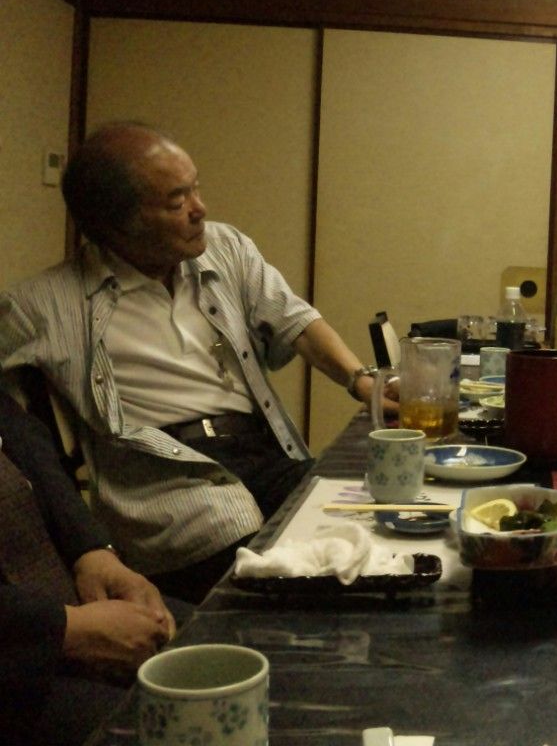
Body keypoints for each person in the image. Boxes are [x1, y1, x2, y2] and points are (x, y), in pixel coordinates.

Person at [0, 122, 379, 602]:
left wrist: (362, 381)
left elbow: (294, 320)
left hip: (264, 453)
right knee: (299, 578)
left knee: (375, 518)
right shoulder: (42, 305)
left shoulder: (225, 247)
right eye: (177, 202)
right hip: (170, 486)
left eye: (195, 188)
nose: (200, 209)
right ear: (117, 224)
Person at [0, 391, 177, 745]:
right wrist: (68, 629)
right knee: (179, 727)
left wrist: (93, 552)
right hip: (18, 665)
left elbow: (22, 436)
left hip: (60, 604)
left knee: (231, 641)